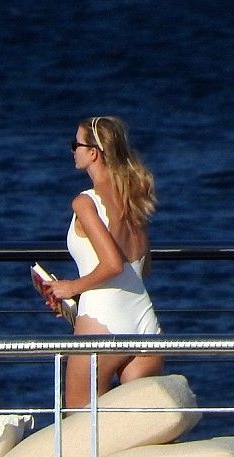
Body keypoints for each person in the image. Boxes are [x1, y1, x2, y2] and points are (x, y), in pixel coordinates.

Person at [46, 116, 164, 409]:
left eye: (76, 144)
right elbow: (143, 268)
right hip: (143, 322)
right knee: (139, 428)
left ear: (93, 153)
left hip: (102, 323)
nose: (72, 150)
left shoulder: (85, 203)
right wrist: (75, 300)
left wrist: (70, 288)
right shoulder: (132, 198)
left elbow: (113, 265)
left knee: (80, 424)